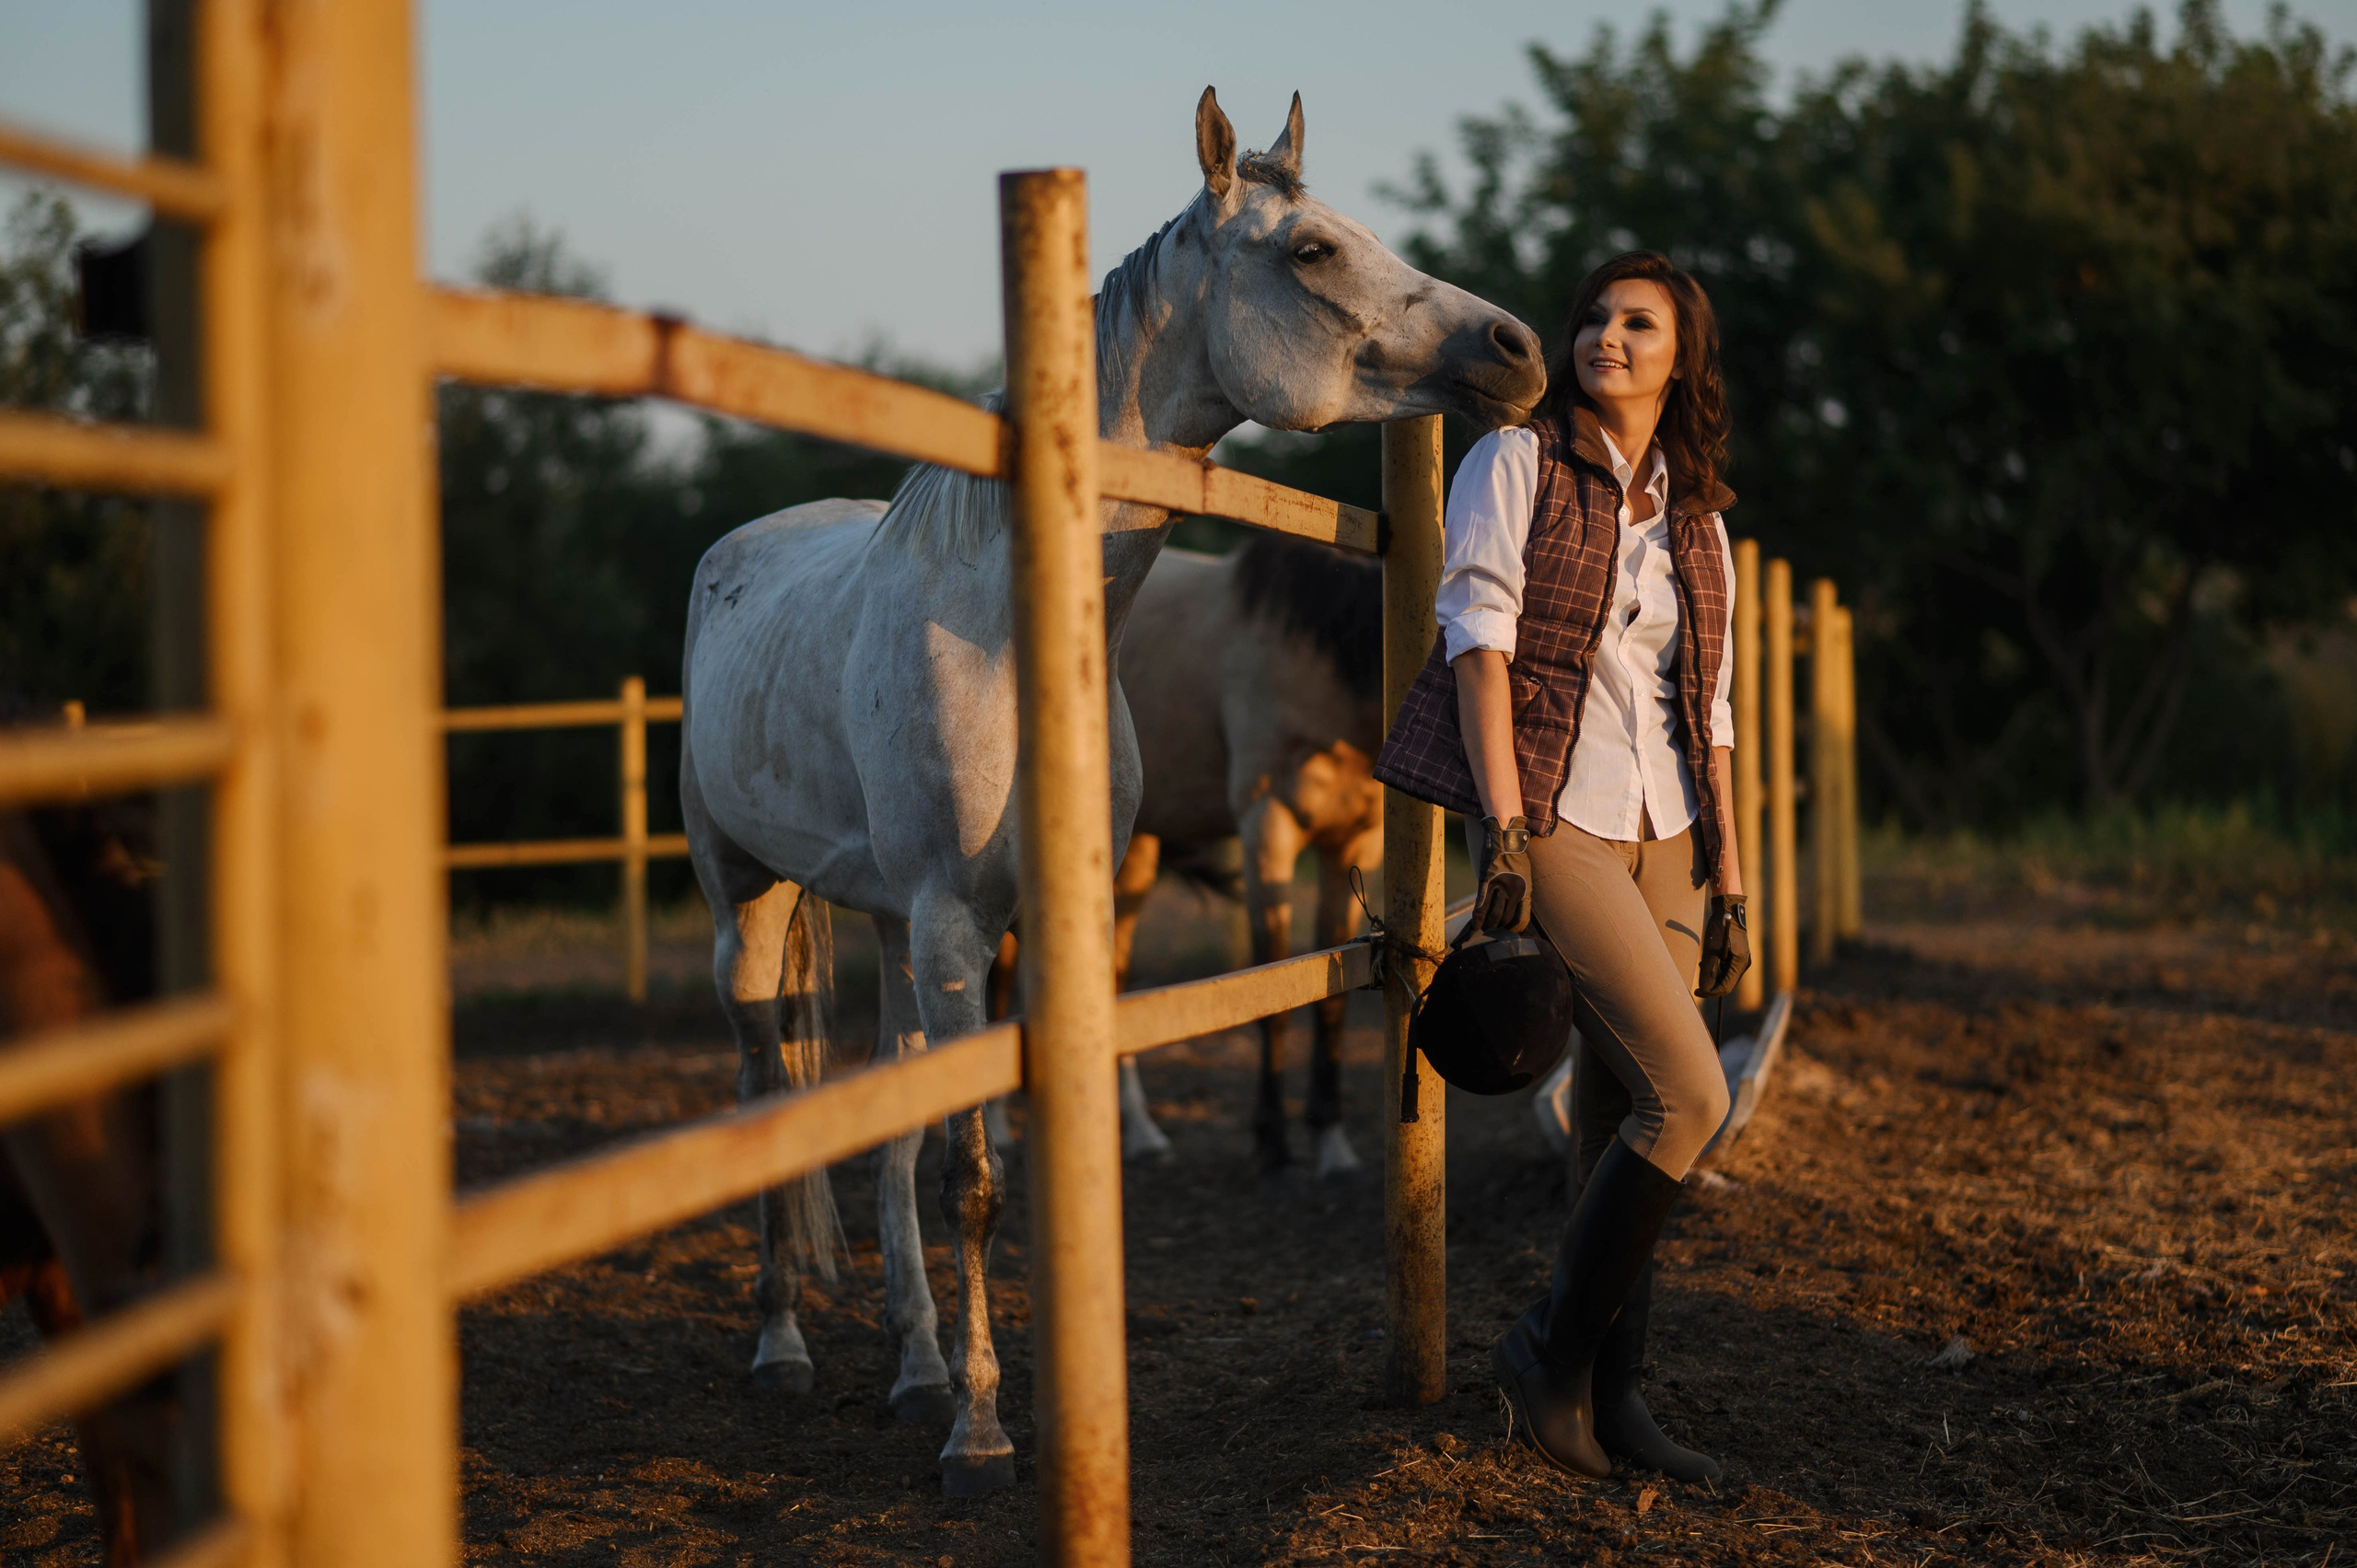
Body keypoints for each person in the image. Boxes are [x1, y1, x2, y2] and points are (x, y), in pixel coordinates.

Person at [1374, 250, 1750, 1481]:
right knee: (1691, 1100)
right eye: (1595, 317)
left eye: (1639, 323)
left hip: (1671, 833)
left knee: (1615, 1112)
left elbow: (1716, 709)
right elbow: (1477, 645)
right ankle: (1543, 1356)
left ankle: (1612, 1396)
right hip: (1560, 823)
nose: (1607, 338)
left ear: (1680, 355)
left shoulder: (1695, 520)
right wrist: (1507, 835)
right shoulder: (1516, 464)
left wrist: (1732, 875)